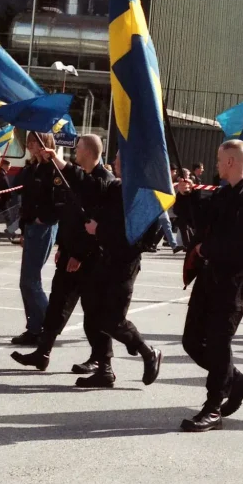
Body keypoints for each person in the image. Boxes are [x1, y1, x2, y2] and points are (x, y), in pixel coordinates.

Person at [174, 140, 243, 432]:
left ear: (230, 161)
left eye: (218, 159)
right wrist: (186, 196)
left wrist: (206, 249)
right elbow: (199, 218)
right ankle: (237, 382)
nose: (215, 164)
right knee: (191, 341)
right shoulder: (224, 194)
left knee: (218, 344)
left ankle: (213, 407)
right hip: (209, 277)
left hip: (231, 282)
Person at [11, 135, 110, 373]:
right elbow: (69, 215)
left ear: (88, 151)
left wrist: (78, 254)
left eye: (78, 149)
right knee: (57, 306)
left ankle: (103, 360)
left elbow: (94, 225)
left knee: (93, 313)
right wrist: (63, 248)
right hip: (70, 252)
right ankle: (42, 353)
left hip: (88, 258)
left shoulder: (103, 180)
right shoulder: (77, 176)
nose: (75, 152)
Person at [70, 150, 164, 388]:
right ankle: (105, 369)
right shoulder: (116, 188)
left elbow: (133, 237)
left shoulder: (142, 196)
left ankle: (148, 352)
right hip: (106, 258)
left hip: (124, 263)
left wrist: (98, 230)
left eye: (119, 159)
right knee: (92, 312)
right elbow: (92, 193)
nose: (113, 162)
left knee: (113, 319)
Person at [11, 132, 64, 346]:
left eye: (35, 141)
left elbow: (59, 201)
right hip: (31, 226)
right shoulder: (32, 168)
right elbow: (23, 196)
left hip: (42, 227)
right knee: (27, 281)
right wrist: (24, 228)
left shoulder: (52, 169)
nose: (31, 145)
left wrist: (44, 219)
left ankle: (47, 326)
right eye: (30, 141)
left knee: (31, 280)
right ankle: (34, 327)